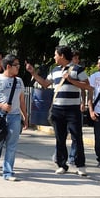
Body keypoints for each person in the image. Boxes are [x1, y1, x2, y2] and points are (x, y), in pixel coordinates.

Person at [26, 45, 90, 176]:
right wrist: (33, 73)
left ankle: (80, 165)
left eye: (55, 55)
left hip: (73, 109)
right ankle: (62, 164)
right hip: (57, 108)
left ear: (61, 55)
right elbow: (44, 84)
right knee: (59, 137)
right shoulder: (54, 70)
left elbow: (87, 86)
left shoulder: (78, 69)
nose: (54, 57)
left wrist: (71, 80)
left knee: (77, 136)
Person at [0, 54, 28, 181]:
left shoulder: (19, 81)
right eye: (16, 65)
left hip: (14, 117)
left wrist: (25, 116)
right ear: (8, 66)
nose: (18, 67)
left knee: (12, 145)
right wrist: (0, 105)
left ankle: (8, 172)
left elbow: (21, 101)